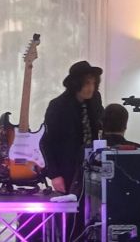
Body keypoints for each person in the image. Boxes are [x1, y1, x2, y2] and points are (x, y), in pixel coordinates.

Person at [41, 60, 104, 194]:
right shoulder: (58, 106)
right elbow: (46, 142)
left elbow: (100, 125)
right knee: (71, 203)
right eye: (87, 83)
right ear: (76, 84)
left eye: (93, 83)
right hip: (68, 167)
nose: (91, 88)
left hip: (92, 165)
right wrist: (55, 175)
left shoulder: (95, 99)